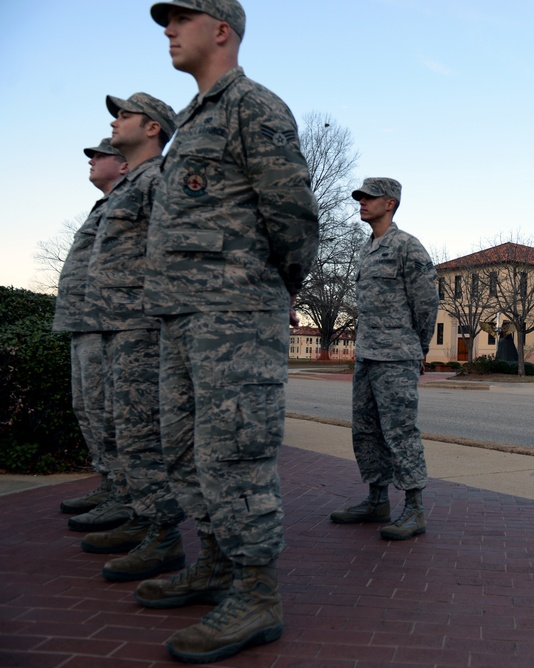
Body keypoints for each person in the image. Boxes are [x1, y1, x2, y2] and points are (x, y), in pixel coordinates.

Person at [135, 1, 319, 663]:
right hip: (181, 314)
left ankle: (256, 592)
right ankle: (214, 563)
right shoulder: (191, 120)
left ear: (221, 31)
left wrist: (274, 287)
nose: (168, 30)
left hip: (234, 315)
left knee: (236, 453)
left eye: (180, 18)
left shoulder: (253, 106)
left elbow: (293, 214)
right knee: (186, 452)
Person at [79, 93, 188, 584]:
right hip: (114, 325)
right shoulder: (132, 184)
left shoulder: (160, 179)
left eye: (124, 115)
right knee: (124, 428)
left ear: (152, 128)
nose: (114, 122)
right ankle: (143, 520)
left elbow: (177, 249)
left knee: (141, 432)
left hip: (142, 327)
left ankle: (163, 535)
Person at [328, 177, 439, 542]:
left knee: (400, 432)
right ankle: (377, 500)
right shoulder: (366, 249)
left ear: (390, 203)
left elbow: (427, 304)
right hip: (367, 355)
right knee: (366, 430)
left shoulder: (407, 246)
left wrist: (418, 348)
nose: (362, 202)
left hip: (396, 357)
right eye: (360, 197)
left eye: (369, 197)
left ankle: (414, 509)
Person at [54, 138, 128, 519]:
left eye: (100, 155)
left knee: (106, 410)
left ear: (124, 165)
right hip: (81, 322)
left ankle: (124, 494)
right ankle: (108, 482)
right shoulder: (103, 206)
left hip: (104, 323)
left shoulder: (128, 202)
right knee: (85, 407)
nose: (92, 160)